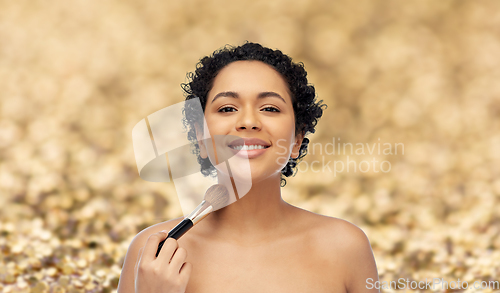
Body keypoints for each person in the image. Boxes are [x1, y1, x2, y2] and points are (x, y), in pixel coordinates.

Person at [117, 42, 380, 293]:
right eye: (228, 108)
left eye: (269, 108)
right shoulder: (153, 254)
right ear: (201, 136)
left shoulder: (345, 248)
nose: (248, 121)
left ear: (297, 139)